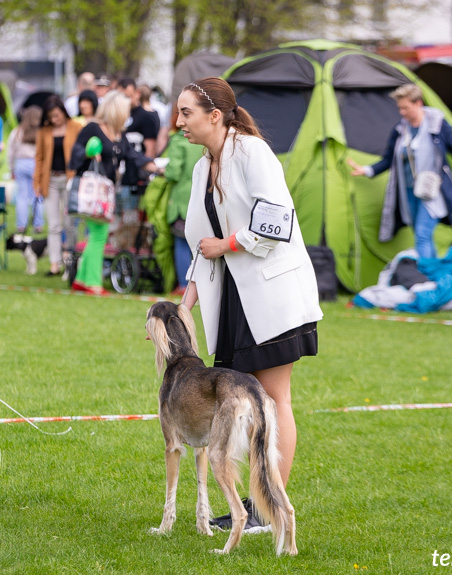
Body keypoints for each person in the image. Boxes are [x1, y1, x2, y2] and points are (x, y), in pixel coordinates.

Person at [177, 77, 323, 530]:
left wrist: (229, 244)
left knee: (275, 400)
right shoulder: (204, 167)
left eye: (186, 112)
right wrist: (185, 303)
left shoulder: (252, 152)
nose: (178, 121)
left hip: (273, 293)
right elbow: (201, 244)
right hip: (235, 299)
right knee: (246, 403)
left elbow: (277, 221)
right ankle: (253, 504)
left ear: (214, 116)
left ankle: (267, 508)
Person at [348, 84, 452, 260]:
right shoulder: (400, 130)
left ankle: (425, 276)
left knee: (422, 234)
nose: (402, 112)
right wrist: (367, 170)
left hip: (432, 191)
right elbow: (388, 159)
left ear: (418, 103)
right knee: (421, 234)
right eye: (399, 108)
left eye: (405, 108)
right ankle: (434, 271)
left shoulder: (438, 124)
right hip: (409, 192)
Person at [69, 91, 162, 294]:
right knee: (99, 235)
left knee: (96, 234)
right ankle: (92, 283)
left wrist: (156, 167)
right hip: (92, 192)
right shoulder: (93, 129)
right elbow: (75, 157)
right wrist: (89, 152)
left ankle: (81, 279)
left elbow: (134, 157)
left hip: (105, 194)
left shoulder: (120, 136)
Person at [34, 95, 84, 276]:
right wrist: (37, 182)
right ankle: (55, 263)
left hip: (70, 179)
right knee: (54, 224)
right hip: (51, 181)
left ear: (63, 112)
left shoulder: (75, 127)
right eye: (51, 117)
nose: (55, 120)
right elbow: (39, 157)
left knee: (70, 223)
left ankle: (71, 261)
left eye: (57, 115)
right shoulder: (44, 131)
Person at [162, 108, 204, 295]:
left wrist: (162, 170)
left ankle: (182, 285)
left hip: (181, 202)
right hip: (201, 201)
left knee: (181, 244)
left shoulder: (179, 140)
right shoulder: (204, 138)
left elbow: (174, 172)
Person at [117, 78, 160, 221]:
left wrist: (146, 174)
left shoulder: (146, 117)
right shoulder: (117, 117)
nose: (125, 101)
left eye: (128, 96)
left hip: (135, 175)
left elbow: (150, 148)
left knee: (131, 219)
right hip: (117, 174)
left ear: (137, 93)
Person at [8, 105, 44, 234]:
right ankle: (38, 225)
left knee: (22, 196)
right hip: (36, 164)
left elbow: (10, 152)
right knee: (38, 195)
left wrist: (11, 169)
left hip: (21, 164)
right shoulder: (41, 132)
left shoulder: (17, 132)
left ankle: (21, 226)